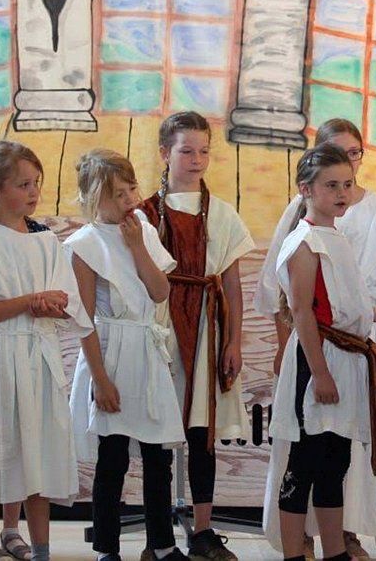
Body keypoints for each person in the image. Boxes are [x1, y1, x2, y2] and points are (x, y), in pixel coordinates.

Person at [257, 118, 376, 558]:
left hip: (344, 359)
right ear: (306, 190)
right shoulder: (305, 242)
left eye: (346, 184)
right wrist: (320, 372)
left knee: (334, 463)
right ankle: (293, 553)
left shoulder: (335, 237)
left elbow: (347, 305)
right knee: (304, 462)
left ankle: (335, 551)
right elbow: (303, 312)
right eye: (331, 186)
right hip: (317, 360)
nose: (342, 193)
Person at [0, 141, 92, 561]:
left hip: (38, 359)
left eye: (36, 183)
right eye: (23, 184)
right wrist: (29, 302)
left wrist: (53, 305)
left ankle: (42, 549)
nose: (33, 192)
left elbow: (68, 303)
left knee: (39, 458)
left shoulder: (46, 242)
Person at [137, 112, 255, 561]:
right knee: (158, 437)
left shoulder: (222, 214)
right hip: (162, 328)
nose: (197, 159)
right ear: (165, 154)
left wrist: (233, 341)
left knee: (202, 434)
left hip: (206, 327)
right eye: (187, 150)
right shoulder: (144, 215)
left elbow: (232, 287)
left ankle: (203, 531)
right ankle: (158, 539)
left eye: (204, 151)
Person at [66, 150, 186, 561]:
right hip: (110, 354)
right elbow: (84, 319)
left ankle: (161, 544)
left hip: (145, 352)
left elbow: (160, 291)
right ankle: (107, 549)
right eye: (118, 194)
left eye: (131, 189)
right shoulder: (83, 245)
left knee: (157, 456)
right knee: (112, 458)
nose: (129, 200)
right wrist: (100, 380)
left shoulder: (143, 230)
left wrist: (137, 248)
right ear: (94, 198)